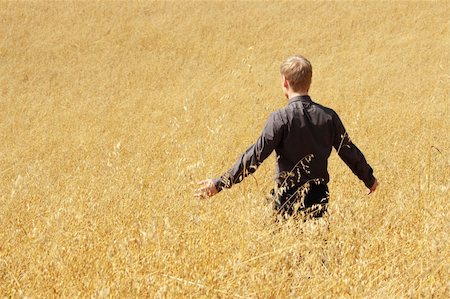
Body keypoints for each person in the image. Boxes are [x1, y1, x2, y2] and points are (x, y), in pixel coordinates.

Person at [195, 55, 378, 219]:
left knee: (286, 253)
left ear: (284, 82)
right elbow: (348, 151)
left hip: (286, 197)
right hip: (319, 196)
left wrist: (219, 184)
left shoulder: (280, 118)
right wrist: (369, 179)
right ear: (310, 81)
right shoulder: (329, 116)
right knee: (317, 250)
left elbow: (254, 156)